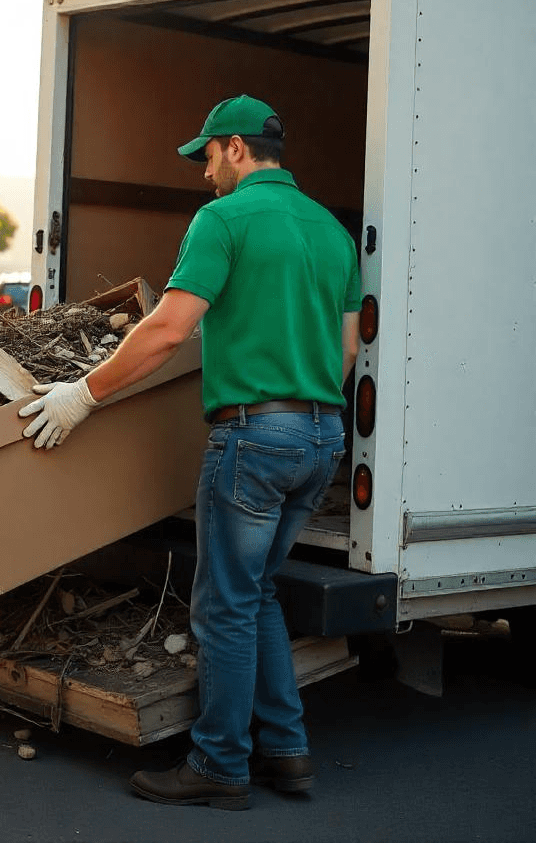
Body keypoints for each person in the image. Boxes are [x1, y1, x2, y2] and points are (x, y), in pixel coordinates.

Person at [20, 96, 360, 811]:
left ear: (236, 148)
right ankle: (288, 752)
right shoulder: (332, 232)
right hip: (322, 436)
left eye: (207, 155)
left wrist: (83, 394)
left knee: (224, 608)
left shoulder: (224, 220)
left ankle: (219, 764)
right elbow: (348, 347)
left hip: (254, 439)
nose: (203, 172)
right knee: (258, 592)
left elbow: (168, 329)